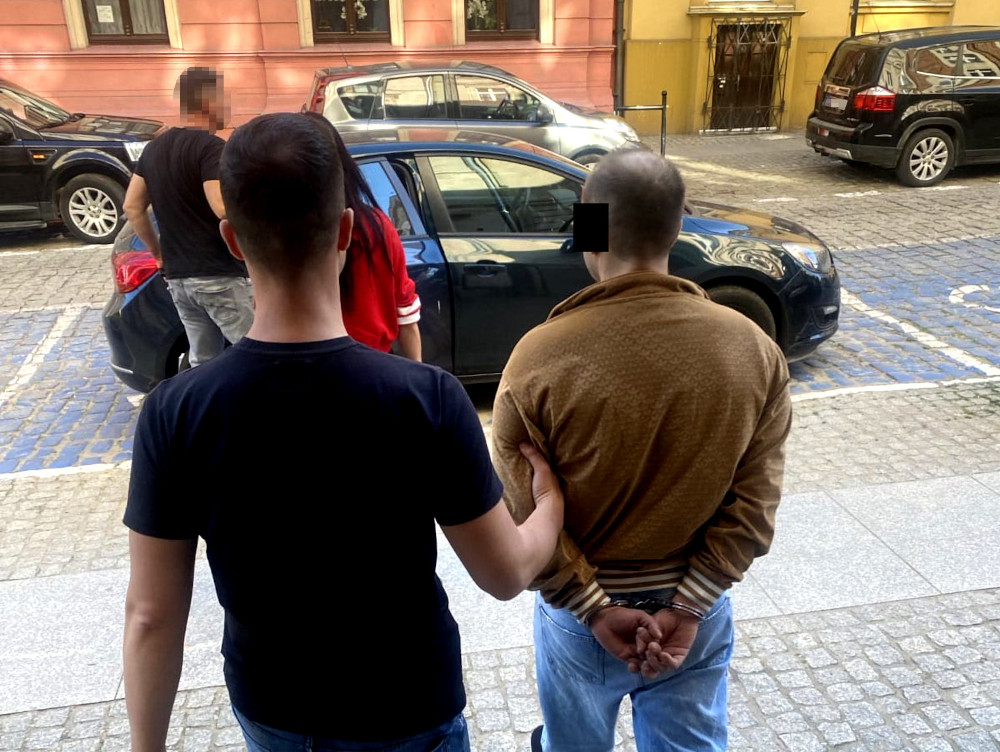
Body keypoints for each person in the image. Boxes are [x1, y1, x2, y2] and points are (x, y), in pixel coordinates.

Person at [121, 112, 564, 752]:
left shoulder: (174, 412)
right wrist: (549, 502)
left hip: (275, 708)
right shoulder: (427, 399)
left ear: (232, 239)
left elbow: (151, 616)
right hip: (409, 706)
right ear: (348, 231)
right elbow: (505, 573)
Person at [492, 148, 793, 752]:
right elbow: (755, 505)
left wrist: (594, 608)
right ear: (678, 227)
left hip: (583, 622)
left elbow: (520, 505)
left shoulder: (537, 358)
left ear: (588, 226)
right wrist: (690, 605)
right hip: (696, 616)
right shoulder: (754, 349)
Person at [123, 66, 254, 368]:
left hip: (179, 278)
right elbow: (221, 207)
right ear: (207, 101)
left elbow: (132, 206)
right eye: (225, 98)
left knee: (203, 361)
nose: (229, 106)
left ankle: (206, 400)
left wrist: (158, 253)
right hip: (218, 274)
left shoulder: (154, 148)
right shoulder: (211, 147)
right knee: (255, 355)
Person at [302, 111, 422, 360]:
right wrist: (418, 376)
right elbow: (407, 319)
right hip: (374, 364)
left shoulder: (277, 236)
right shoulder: (375, 227)